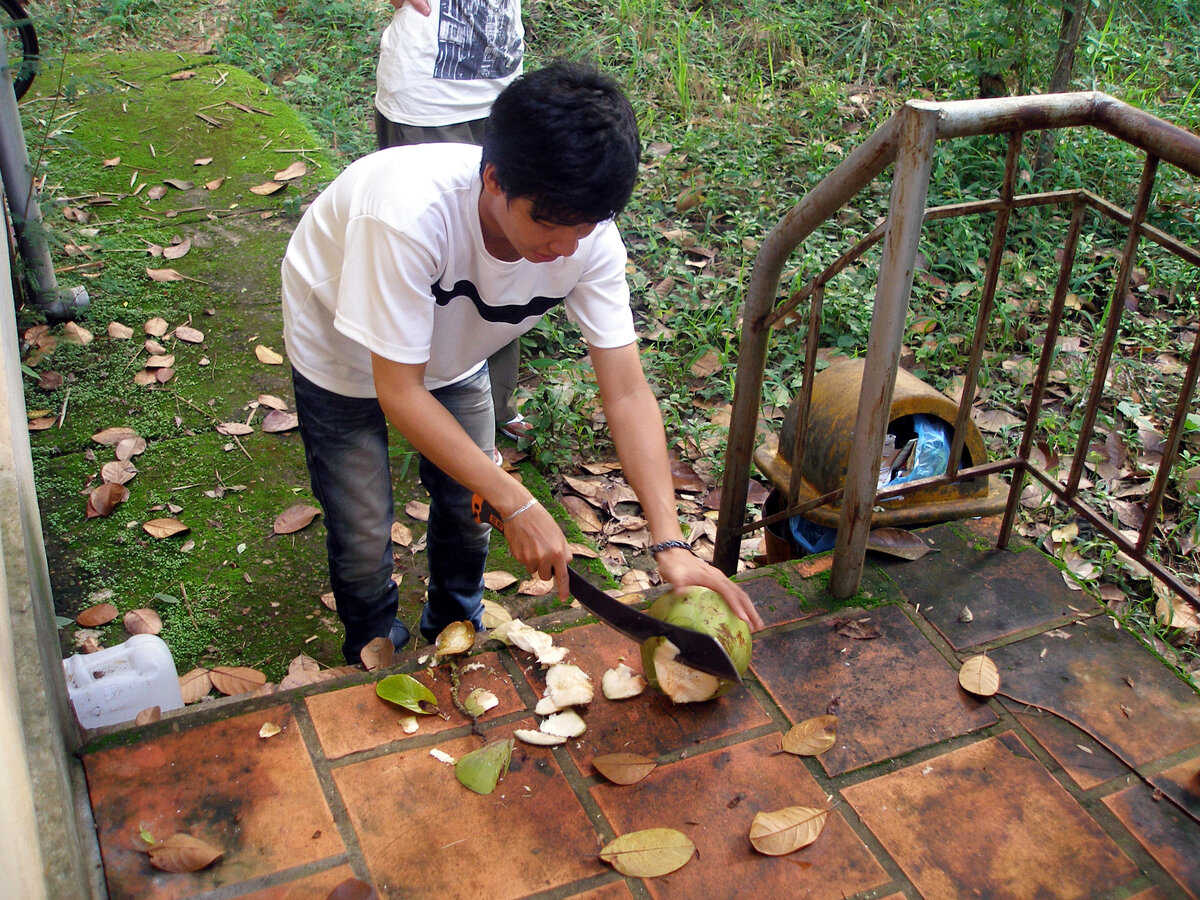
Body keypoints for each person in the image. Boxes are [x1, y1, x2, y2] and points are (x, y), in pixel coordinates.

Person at [282, 61, 763, 666]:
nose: (563, 248)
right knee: (363, 534)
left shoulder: (588, 241)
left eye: (584, 227)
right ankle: (373, 650)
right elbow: (399, 391)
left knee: (469, 509)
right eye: (548, 223)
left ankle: (455, 631)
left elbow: (626, 392)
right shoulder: (407, 217)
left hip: (453, 355)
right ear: (492, 180)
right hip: (341, 353)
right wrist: (521, 501)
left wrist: (669, 541)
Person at [375, 0, 531, 444]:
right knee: (442, 267)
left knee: (507, 258)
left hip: (501, 89)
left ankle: (496, 406)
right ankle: (415, 402)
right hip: (430, 100)